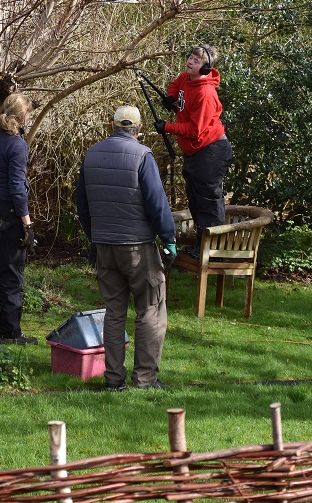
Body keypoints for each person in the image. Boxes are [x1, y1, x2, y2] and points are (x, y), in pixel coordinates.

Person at [76, 105, 176, 391]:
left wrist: (93, 235)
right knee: (151, 310)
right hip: (138, 247)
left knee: (114, 312)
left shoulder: (92, 154)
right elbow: (157, 203)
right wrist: (168, 239)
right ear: (139, 129)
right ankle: (144, 379)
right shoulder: (143, 155)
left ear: (112, 124)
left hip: (104, 246)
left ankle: (113, 380)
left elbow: (82, 203)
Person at [154, 44, 233, 255]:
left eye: (196, 61)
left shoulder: (206, 94)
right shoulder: (186, 78)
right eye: (190, 57)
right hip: (196, 152)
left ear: (205, 69)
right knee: (195, 199)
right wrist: (171, 97)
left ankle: (215, 252)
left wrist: (167, 128)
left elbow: (195, 130)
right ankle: (202, 247)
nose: (190, 62)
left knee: (208, 201)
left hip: (211, 150)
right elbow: (176, 84)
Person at [0, 92, 38, 345]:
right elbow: (16, 188)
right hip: (6, 214)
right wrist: (27, 223)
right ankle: (11, 333)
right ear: (22, 117)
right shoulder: (17, 145)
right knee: (11, 271)